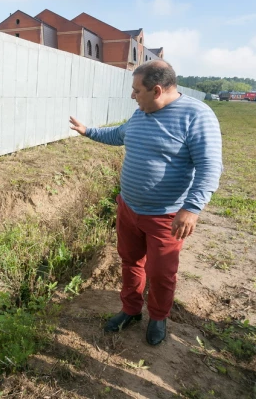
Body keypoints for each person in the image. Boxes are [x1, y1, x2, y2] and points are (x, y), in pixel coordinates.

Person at [69, 60, 222, 345]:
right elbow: (118, 135)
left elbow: (210, 166)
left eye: (136, 90)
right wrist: (88, 131)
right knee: (130, 262)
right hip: (129, 209)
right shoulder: (141, 113)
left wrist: (191, 208)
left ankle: (158, 317)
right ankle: (130, 310)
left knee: (161, 272)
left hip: (166, 216)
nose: (132, 95)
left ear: (157, 90)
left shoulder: (196, 115)